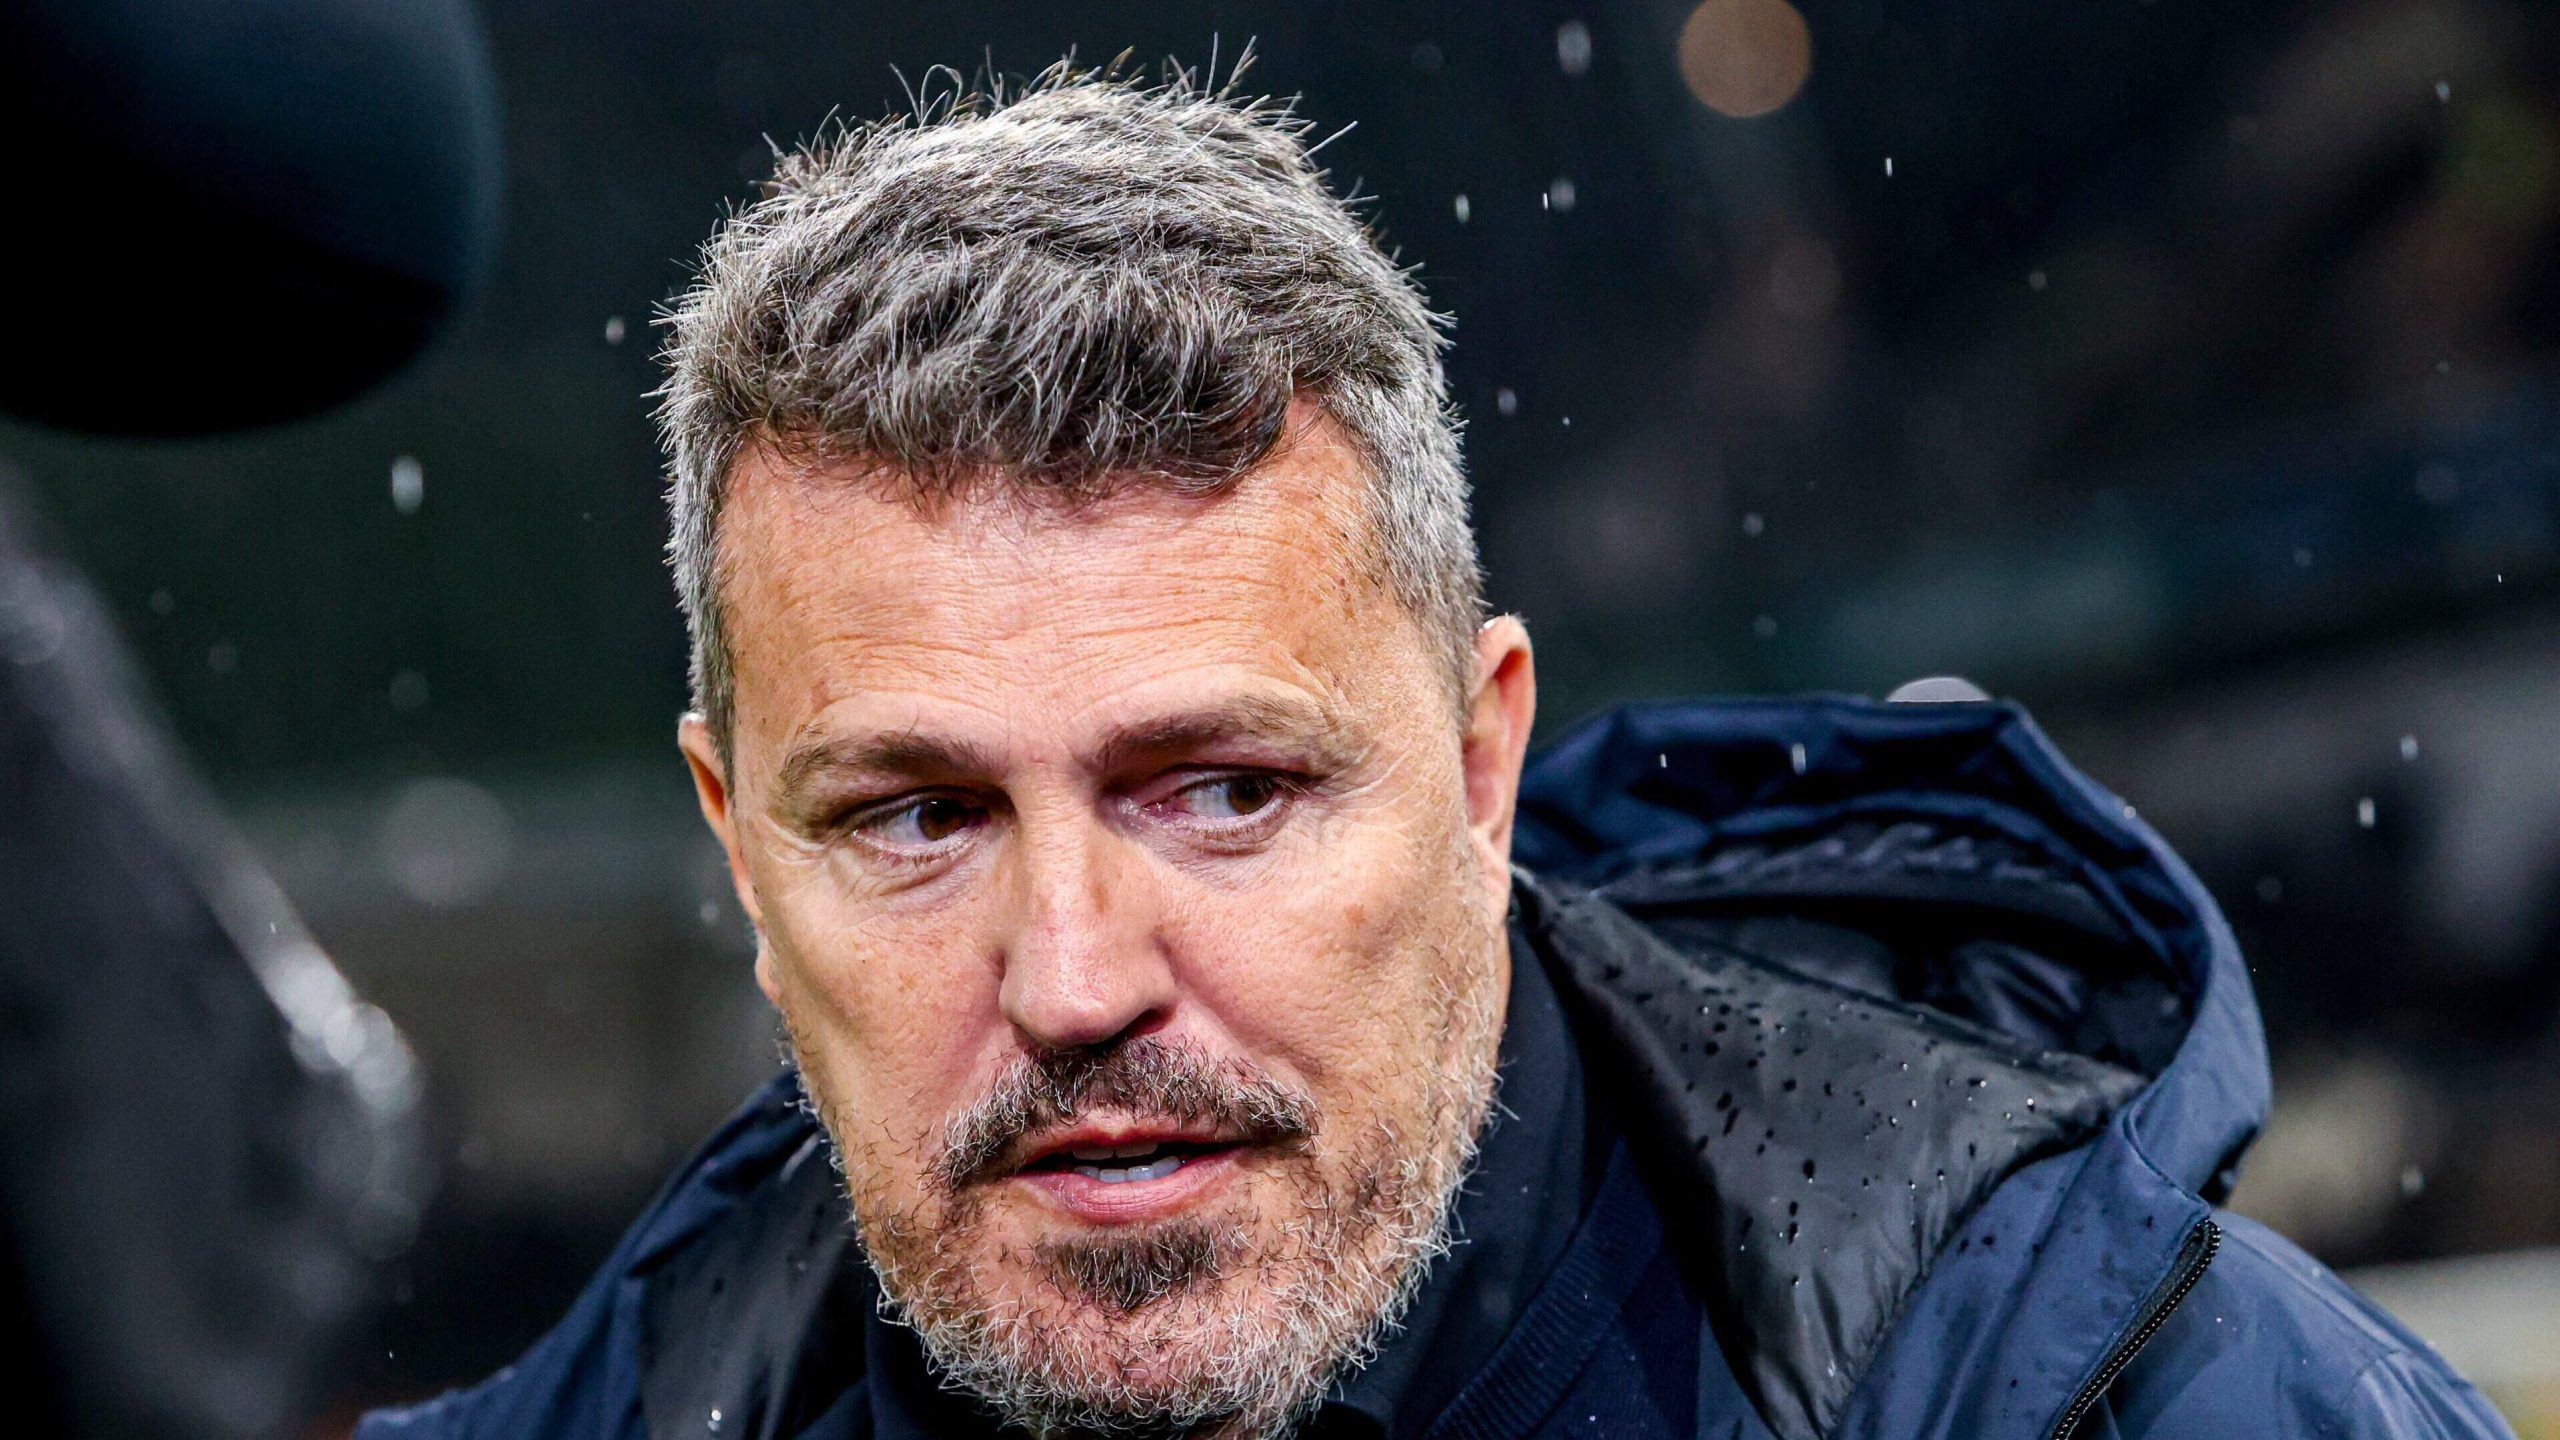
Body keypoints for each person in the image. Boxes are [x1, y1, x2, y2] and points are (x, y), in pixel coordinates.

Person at [359, 63, 2514, 1440]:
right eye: (919, 817)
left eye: (1224, 790)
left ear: (1484, 770)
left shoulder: (2128, 1395)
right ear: (742, 857)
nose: (1076, 974)